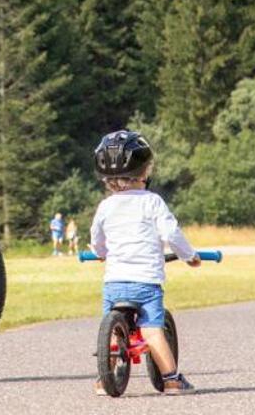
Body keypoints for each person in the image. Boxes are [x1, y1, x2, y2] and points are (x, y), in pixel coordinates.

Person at [89, 130, 202, 396]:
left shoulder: (105, 206)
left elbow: (97, 240)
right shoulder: (152, 202)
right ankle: (172, 380)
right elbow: (171, 235)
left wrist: (101, 252)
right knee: (152, 330)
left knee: (116, 332)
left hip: (114, 282)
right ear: (144, 172)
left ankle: (102, 379)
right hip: (145, 282)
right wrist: (190, 256)